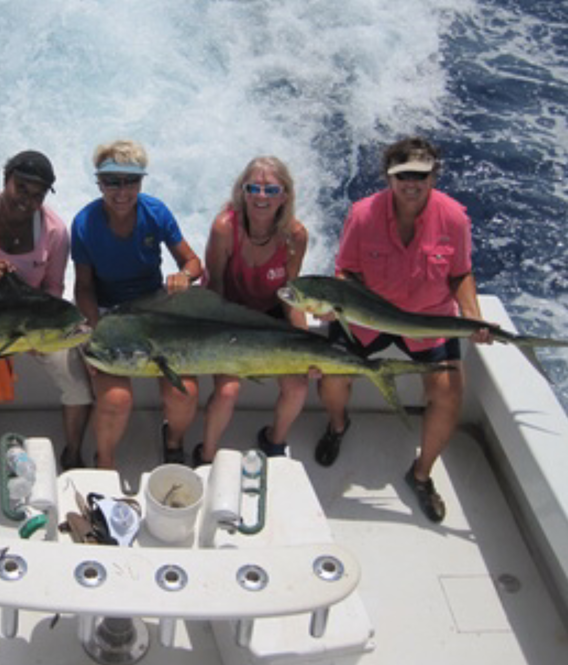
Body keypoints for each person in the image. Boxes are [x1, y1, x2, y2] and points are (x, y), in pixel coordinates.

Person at [316, 136, 492, 523]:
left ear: (433, 176)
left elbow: (461, 271)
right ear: (389, 177)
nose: (412, 183)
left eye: (421, 175)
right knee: (332, 376)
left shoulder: (455, 218)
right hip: (368, 318)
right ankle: (338, 425)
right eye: (403, 175)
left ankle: (421, 474)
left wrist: (472, 314)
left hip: (426, 319)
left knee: (448, 394)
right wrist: (337, 304)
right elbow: (345, 270)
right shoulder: (362, 215)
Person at [0, 150, 93, 487]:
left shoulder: (54, 232)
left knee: (79, 388)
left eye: (37, 193)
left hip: (31, 329)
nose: (27, 199)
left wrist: (41, 336)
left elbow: (54, 290)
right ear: (5, 180)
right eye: (21, 188)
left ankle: (72, 453)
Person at [72, 139, 203, 469]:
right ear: (99, 182)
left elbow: (192, 262)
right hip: (107, 316)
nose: (121, 191)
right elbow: (83, 287)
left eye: (130, 181)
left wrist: (184, 276)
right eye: (111, 181)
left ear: (141, 182)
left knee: (183, 391)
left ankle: (172, 441)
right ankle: (105, 460)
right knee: (117, 399)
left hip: (154, 312)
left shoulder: (155, 212)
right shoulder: (84, 224)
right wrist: (93, 335)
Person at [199, 156, 310, 465]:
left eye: (271, 190)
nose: (261, 196)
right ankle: (206, 454)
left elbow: (291, 295)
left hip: (270, 319)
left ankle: (275, 442)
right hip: (230, 316)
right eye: (254, 188)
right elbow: (215, 285)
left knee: (298, 386)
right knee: (227, 392)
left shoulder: (295, 236)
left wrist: (308, 346)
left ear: (285, 195)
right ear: (242, 192)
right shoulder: (225, 228)